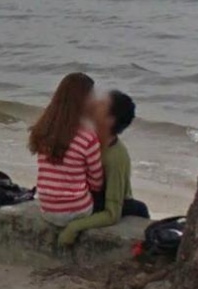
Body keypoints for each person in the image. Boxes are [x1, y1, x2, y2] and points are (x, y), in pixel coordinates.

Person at [58, 89, 149, 246]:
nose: (95, 103)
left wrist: (73, 227)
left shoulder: (116, 157)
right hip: (88, 197)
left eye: (101, 104)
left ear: (110, 120)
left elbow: (112, 213)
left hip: (109, 201)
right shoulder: (84, 139)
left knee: (140, 208)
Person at [29, 72, 104, 226]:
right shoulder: (88, 137)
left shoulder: (44, 129)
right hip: (77, 210)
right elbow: (97, 182)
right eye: (92, 96)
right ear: (83, 101)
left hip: (47, 209)